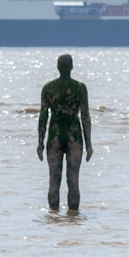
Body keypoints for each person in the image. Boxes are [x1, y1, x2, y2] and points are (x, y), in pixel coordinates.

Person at [37, 53, 93, 211]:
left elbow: (43, 117)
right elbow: (85, 117)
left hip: (54, 138)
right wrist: (88, 144)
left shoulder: (48, 88)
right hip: (74, 138)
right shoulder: (80, 88)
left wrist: (40, 143)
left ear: (58, 67)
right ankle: (73, 218)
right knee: (73, 180)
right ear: (72, 67)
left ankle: (53, 217)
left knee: (53, 180)